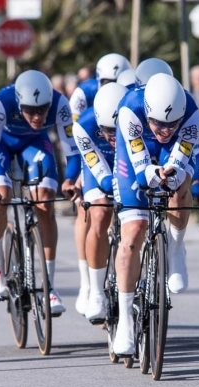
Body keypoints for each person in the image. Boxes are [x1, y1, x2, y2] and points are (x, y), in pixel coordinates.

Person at [111, 73, 199, 355]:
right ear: (148, 112)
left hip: (170, 152)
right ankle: (125, 323)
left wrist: (170, 173)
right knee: (134, 231)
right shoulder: (129, 110)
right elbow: (140, 172)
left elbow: (180, 160)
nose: (164, 129)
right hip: (135, 153)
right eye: (158, 124)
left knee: (181, 185)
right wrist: (152, 173)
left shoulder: (191, 114)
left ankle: (175, 248)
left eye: (170, 124)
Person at [0, 70, 79, 315]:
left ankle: (49, 287)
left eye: (43, 109)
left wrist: (70, 180)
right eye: (30, 110)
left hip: (34, 143)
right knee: (2, 197)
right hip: (0, 143)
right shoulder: (2, 104)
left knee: (45, 202)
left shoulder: (60, 104)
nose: (37, 116)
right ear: (19, 103)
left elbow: (73, 153)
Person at [69, 53, 132, 315]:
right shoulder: (83, 96)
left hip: (125, 149)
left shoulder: (132, 94)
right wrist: (77, 176)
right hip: (95, 151)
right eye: (107, 81)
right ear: (98, 80)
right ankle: (90, 286)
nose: (113, 85)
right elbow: (78, 145)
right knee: (97, 210)